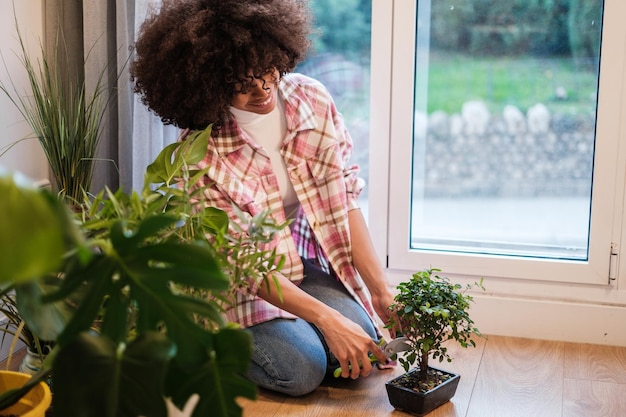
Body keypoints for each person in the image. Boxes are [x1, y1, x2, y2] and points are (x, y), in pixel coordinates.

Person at [130, 0, 397, 396]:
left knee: (364, 346)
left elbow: (343, 197)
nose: (261, 89)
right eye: (240, 83)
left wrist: (381, 290)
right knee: (304, 370)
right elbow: (245, 269)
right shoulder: (200, 156)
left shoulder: (312, 101)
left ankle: (304, 330)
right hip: (231, 287)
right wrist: (328, 321)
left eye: (265, 70)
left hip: (295, 264)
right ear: (210, 83)